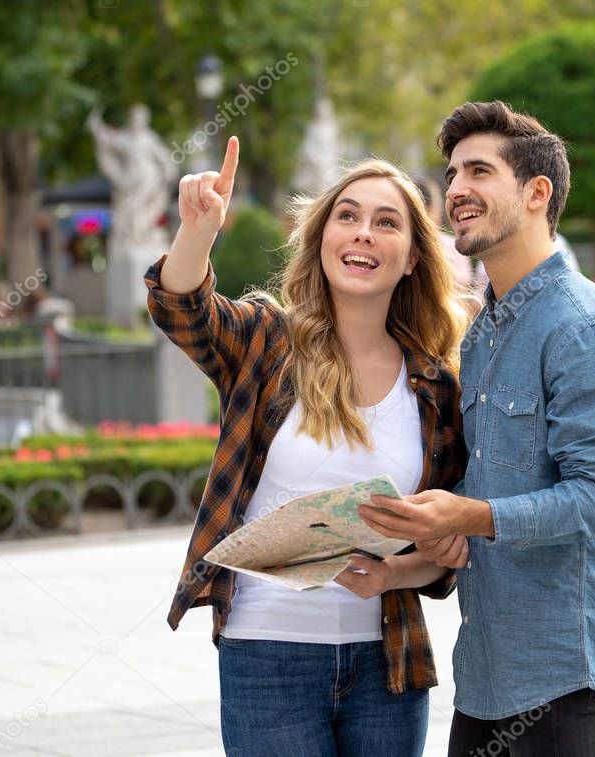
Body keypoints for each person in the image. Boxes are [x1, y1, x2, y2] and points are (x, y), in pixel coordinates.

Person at [145, 137, 470, 756]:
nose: (363, 233)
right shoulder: (267, 342)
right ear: (321, 240)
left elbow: (443, 544)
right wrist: (198, 232)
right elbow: (182, 311)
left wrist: (398, 570)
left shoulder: (434, 385)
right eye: (346, 216)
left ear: (410, 260)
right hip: (267, 652)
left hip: (389, 664)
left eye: (386, 223)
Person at [359, 101, 595, 756]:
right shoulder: (485, 328)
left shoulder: (584, 325)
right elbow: (494, 479)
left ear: (536, 191)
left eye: (479, 171)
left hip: (559, 670)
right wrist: (442, 533)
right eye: (453, 173)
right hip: (487, 666)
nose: (456, 189)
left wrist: (471, 513)